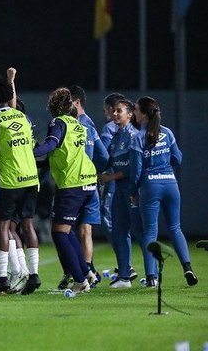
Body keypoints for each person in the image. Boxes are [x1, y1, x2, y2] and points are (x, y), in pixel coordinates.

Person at [33, 87, 98, 294]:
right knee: (66, 230)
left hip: (73, 184)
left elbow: (52, 144)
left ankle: (79, 280)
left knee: (59, 233)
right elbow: (61, 153)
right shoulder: (76, 124)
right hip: (88, 180)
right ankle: (86, 272)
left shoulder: (58, 122)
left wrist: (29, 151)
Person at [129, 96, 198, 287]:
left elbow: (136, 171)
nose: (133, 113)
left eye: (135, 110)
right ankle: (187, 268)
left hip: (150, 186)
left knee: (150, 232)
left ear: (143, 114)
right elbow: (178, 158)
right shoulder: (167, 132)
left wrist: (133, 190)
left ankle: (151, 278)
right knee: (175, 228)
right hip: (171, 184)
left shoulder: (138, 138)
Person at [0, 74, 41, 296]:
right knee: (27, 226)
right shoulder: (22, 118)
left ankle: (1, 277)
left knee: (2, 227)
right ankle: (34, 274)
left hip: (9, 180)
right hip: (31, 178)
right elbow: (11, 105)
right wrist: (11, 81)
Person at [56, 85, 108, 288]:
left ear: (76, 102)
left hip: (72, 183)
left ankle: (76, 273)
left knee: (62, 229)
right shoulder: (90, 126)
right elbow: (103, 156)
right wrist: (94, 173)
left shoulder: (68, 124)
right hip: (90, 185)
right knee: (86, 231)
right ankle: (88, 273)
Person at [98, 100, 151, 288]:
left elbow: (132, 168)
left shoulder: (133, 135)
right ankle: (124, 277)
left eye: (119, 111)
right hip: (120, 191)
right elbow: (110, 160)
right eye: (114, 111)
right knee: (119, 232)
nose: (115, 114)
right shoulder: (116, 135)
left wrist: (109, 177)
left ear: (130, 115)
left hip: (132, 190)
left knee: (141, 233)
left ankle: (152, 276)